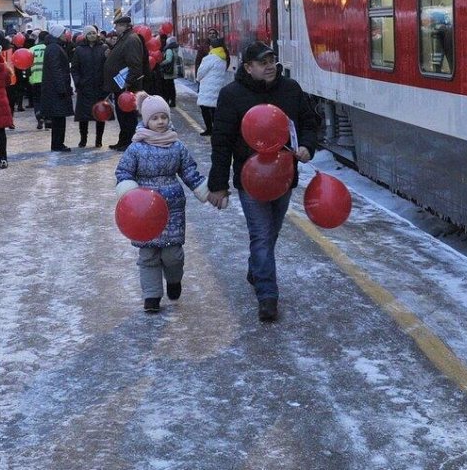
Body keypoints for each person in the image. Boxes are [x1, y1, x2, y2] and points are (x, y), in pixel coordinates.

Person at [207, 42, 319, 322]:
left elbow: (309, 122)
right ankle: (267, 296)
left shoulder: (290, 90)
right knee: (260, 234)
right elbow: (221, 143)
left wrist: (306, 146)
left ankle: (256, 267)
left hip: (283, 177)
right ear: (248, 67)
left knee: (270, 234)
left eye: (271, 59)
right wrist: (218, 184)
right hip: (251, 179)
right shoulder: (231, 95)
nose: (269, 65)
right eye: (262, 61)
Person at [114, 93, 218, 312]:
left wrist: (205, 191)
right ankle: (151, 296)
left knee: (173, 254)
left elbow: (189, 171)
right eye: (155, 118)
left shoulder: (177, 146)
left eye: (163, 117)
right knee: (148, 254)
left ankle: (173, 280)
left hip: (172, 208)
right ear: (145, 120)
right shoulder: (136, 148)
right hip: (144, 210)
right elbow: (124, 172)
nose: (160, 121)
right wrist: (129, 192)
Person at [103, 15, 147, 149]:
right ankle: (123, 141)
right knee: (122, 116)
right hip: (120, 86)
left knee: (127, 116)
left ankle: (128, 142)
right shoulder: (126, 38)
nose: (115, 28)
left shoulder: (131, 39)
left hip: (126, 86)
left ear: (124, 26)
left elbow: (135, 64)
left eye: (117, 26)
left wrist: (127, 83)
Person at [71, 25, 109, 148]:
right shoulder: (79, 50)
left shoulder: (104, 48)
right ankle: (83, 139)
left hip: (100, 88)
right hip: (84, 88)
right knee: (83, 116)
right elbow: (75, 68)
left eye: (94, 33)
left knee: (100, 114)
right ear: (85, 35)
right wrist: (78, 82)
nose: (92, 35)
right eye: (89, 34)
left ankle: (99, 140)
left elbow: (108, 67)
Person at [39, 26, 74, 152]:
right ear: (58, 34)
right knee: (59, 118)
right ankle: (58, 144)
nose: (66, 35)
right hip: (56, 90)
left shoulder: (54, 46)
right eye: (64, 32)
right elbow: (56, 69)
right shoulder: (55, 48)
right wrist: (62, 89)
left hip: (55, 88)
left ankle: (58, 143)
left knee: (59, 117)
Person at [195, 37, 229, 136]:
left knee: (204, 107)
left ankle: (209, 129)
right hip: (218, 87)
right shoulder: (223, 58)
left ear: (211, 47)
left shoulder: (209, 58)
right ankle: (217, 129)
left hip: (207, 87)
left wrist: (198, 79)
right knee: (215, 109)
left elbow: (201, 72)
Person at [30, 31, 48, 128]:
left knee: (37, 100)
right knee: (46, 99)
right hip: (47, 80)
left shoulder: (31, 49)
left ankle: (38, 115)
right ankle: (46, 117)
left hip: (34, 79)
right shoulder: (48, 49)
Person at [158, 34, 181, 107]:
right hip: (173, 70)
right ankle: (173, 101)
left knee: (167, 87)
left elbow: (168, 60)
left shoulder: (168, 50)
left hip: (168, 71)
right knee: (172, 86)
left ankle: (167, 100)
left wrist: (161, 63)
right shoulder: (175, 49)